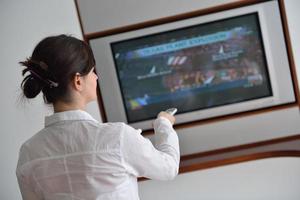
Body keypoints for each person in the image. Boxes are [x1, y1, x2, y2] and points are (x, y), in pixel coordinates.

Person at [16, 34, 180, 200]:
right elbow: (168, 168)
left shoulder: (29, 152)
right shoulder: (118, 137)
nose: (96, 77)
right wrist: (164, 124)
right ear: (78, 81)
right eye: (92, 71)